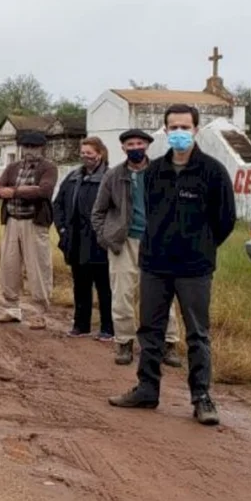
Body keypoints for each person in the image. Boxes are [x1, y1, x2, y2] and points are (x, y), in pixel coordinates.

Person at [109, 105, 236, 426]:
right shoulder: (153, 173)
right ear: (165, 131)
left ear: (196, 130)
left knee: (197, 335)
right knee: (149, 331)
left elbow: (225, 220)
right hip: (155, 264)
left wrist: (201, 245)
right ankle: (147, 389)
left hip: (195, 268)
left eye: (185, 127)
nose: (179, 132)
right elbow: (150, 214)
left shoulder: (213, 172)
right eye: (173, 127)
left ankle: (201, 397)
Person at [91, 128, 181, 367]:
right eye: (130, 145)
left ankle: (169, 343)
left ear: (147, 146)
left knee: (163, 294)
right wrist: (106, 238)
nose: (135, 148)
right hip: (123, 242)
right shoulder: (113, 176)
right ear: (123, 148)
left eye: (139, 144)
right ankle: (124, 342)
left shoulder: (162, 173)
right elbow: (98, 212)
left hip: (157, 242)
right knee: (122, 294)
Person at [0, 129, 58, 329]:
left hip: (34, 222)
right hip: (12, 220)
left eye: (34, 147)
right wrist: (24, 191)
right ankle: (12, 308)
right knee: (9, 265)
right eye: (26, 146)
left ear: (42, 148)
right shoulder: (12, 167)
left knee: (38, 267)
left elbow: (44, 191)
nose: (30, 150)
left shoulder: (48, 167)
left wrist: (14, 191)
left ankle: (40, 313)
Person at [54, 137, 114, 340]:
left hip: (100, 242)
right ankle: (81, 325)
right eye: (83, 152)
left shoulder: (109, 178)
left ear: (100, 154)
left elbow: (117, 209)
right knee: (80, 284)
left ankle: (108, 328)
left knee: (104, 286)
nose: (85, 156)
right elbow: (58, 204)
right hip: (75, 240)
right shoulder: (73, 177)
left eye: (89, 152)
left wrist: (107, 234)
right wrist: (62, 229)